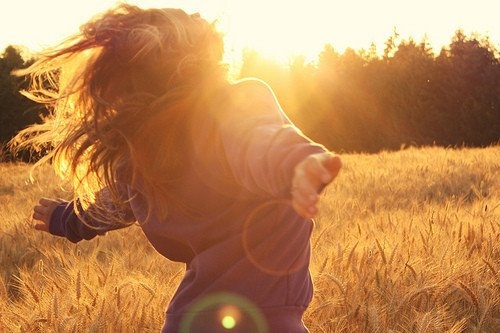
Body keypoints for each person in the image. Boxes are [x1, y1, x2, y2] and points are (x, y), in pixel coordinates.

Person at [13, 4, 341, 332]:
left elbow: (110, 204)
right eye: (190, 17)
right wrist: (297, 166)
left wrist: (65, 218)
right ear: (194, 58)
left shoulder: (141, 157)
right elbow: (259, 140)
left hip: (188, 321)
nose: (199, 15)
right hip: (266, 321)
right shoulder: (235, 104)